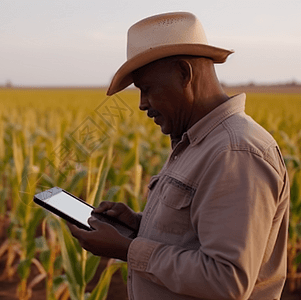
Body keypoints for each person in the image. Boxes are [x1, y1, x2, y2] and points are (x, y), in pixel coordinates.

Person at [68, 11, 290, 299]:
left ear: (184, 74)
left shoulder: (236, 152)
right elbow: (194, 239)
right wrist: (137, 226)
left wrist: (127, 249)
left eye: (147, 89)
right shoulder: (198, 142)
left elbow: (226, 280)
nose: (142, 104)